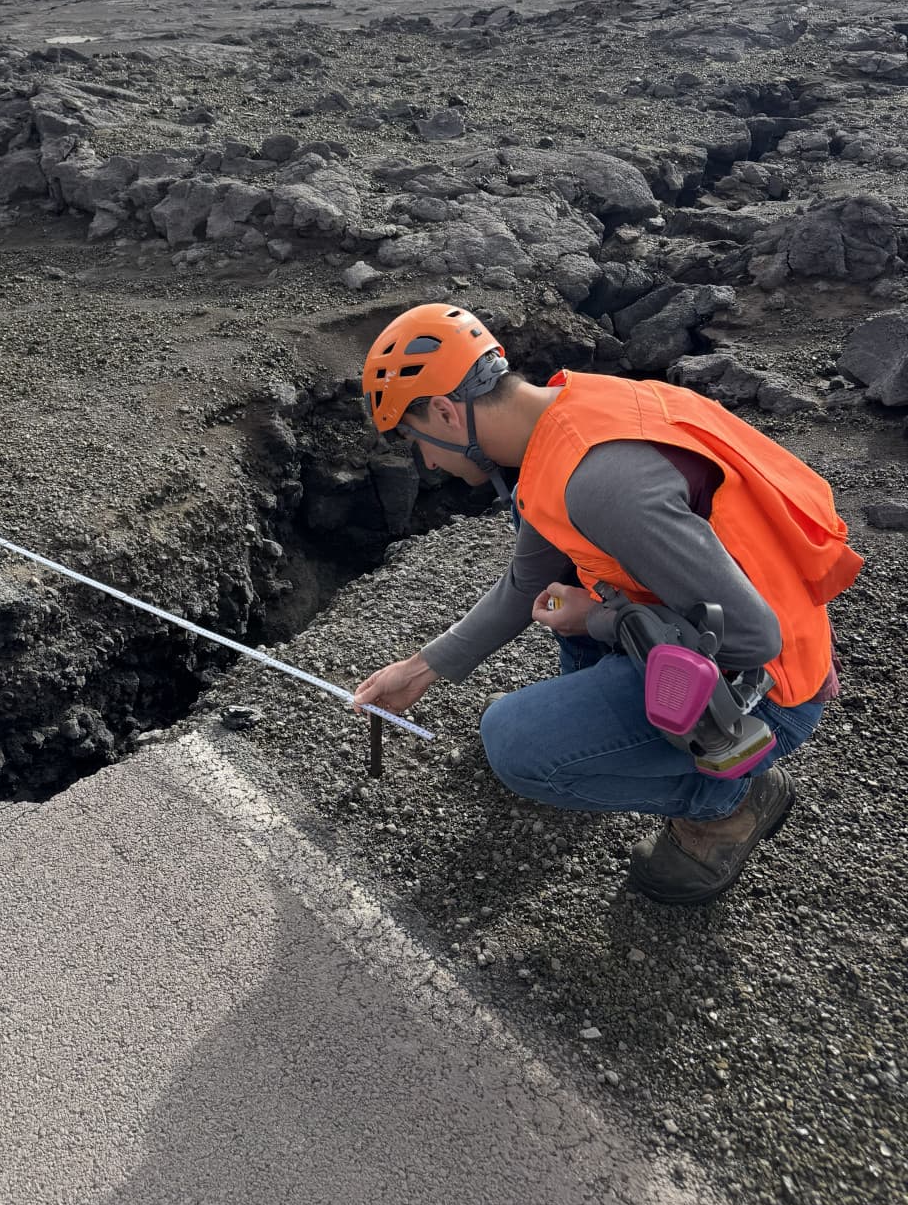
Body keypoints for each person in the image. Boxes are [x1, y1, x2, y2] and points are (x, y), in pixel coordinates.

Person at [353, 302, 862, 905]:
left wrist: (596, 616)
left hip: (761, 694)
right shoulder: (573, 417)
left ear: (444, 409)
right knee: (562, 595)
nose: (428, 461)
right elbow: (527, 583)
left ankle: (731, 801)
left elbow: (755, 637)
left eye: (417, 441)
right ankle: (599, 741)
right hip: (722, 638)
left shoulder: (600, 484)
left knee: (515, 744)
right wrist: (421, 669)